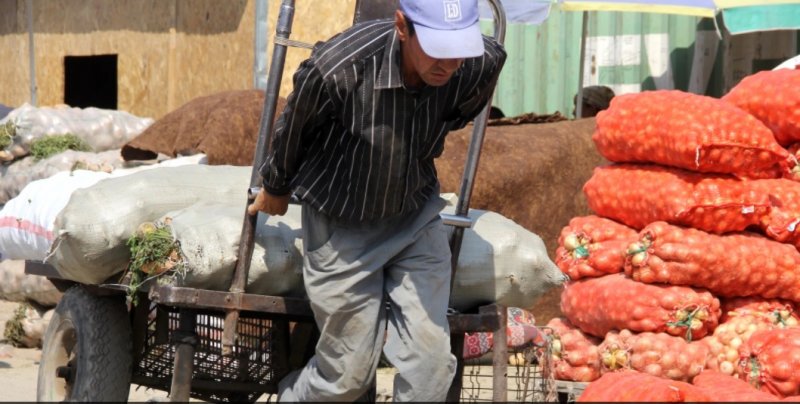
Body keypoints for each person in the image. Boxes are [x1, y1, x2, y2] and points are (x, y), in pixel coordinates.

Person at [246, 0, 506, 401]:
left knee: (431, 369)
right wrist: (277, 186)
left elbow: (458, 112)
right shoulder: (339, 67)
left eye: (459, 50)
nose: (449, 64)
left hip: (414, 218)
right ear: (402, 26)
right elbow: (295, 126)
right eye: (437, 49)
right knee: (347, 378)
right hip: (340, 227)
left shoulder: (479, 64)